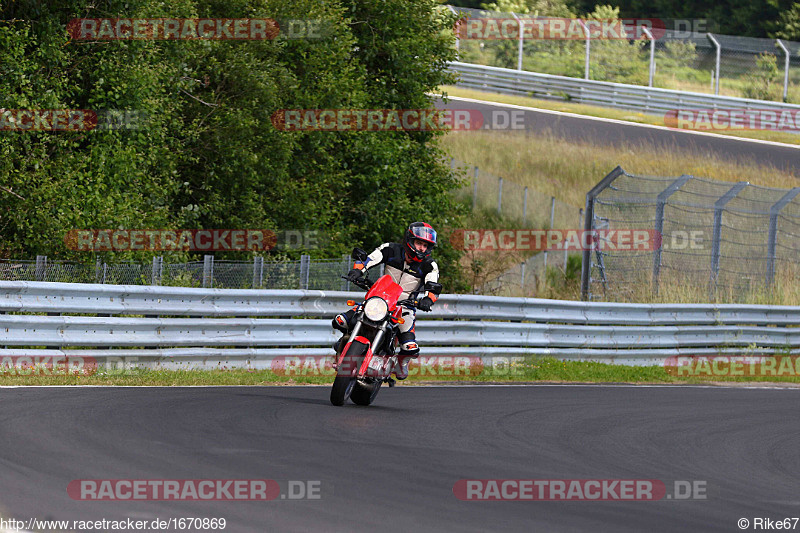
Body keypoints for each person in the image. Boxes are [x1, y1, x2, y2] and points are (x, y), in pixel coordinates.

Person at [332, 222, 442, 380]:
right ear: (409, 240)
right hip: (380, 298)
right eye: (419, 243)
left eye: (426, 245)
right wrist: (358, 270)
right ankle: (344, 343)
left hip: (405, 306)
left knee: (409, 347)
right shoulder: (390, 249)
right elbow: (370, 259)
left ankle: (401, 363)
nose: (422, 248)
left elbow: (433, 286)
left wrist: (428, 299)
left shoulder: (429, 265)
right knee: (341, 320)